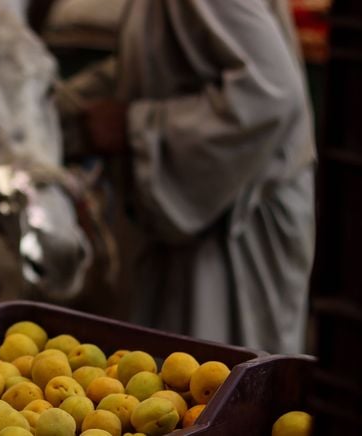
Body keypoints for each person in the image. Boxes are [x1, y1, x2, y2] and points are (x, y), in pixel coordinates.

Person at [78, 0, 316, 354]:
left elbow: (270, 95)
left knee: (223, 382)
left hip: (234, 216)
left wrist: (134, 125)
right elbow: (155, 63)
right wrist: (64, 106)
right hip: (209, 212)